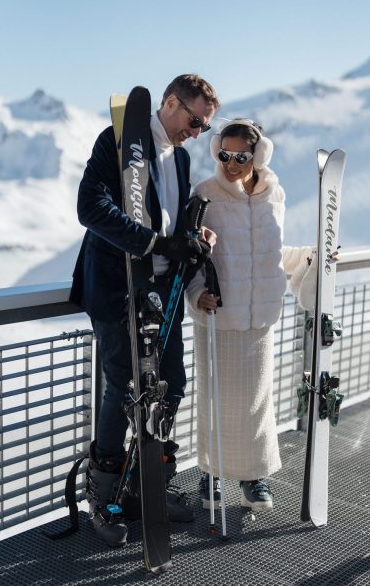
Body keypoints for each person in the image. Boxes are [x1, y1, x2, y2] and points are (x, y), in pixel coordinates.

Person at [70, 74, 220, 546]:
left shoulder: (181, 156)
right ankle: (106, 494)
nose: (197, 133)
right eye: (195, 121)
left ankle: (145, 483)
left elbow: (174, 216)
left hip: (163, 289)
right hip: (117, 286)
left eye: (204, 128)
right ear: (171, 102)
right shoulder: (119, 142)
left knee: (170, 383)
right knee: (123, 387)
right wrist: (156, 242)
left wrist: (192, 239)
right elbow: (90, 208)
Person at [186, 119, 314, 512]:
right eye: (224, 154)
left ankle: (253, 478)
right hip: (220, 316)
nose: (231, 162)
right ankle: (210, 474)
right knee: (216, 400)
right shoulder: (205, 195)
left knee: (257, 403)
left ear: (257, 155)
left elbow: (272, 252)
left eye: (240, 155)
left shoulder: (274, 195)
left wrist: (314, 256)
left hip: (260, 319)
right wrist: (196, 294)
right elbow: (190, 255)